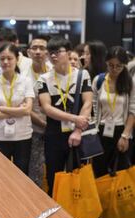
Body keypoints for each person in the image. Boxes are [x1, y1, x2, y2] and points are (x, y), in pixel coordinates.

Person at [37, 37, 93, 196]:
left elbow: (87, 103)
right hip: (54, 134)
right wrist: (75, 119)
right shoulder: (44, 79)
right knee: (53, 177)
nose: (53, 56)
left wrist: (78, 130)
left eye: (57, 52)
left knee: (77, 178)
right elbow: (47, 108)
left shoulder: (82, 75)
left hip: (78, 134)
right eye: (51, 53)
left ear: (69, 53)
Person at [0, 43, 35, 175]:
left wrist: (1, 108)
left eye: (9, 58)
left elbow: (27, 110)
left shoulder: (26, 81)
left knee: (22, 175)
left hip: (22, 135)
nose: (6, 62)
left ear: (17, 59)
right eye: (2, 58)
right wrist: (16, 111)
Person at [92, 46, 135, 178]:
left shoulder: (130, 82)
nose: (114, 69)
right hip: (101, 131)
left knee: (120, 174)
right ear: (106, 63)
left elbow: (133, 110)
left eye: (119, 66)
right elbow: (94, 107)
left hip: (121, 131)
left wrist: (125, 135)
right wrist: (93, 130)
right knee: (99, 173)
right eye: (111, 65)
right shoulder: (98, 81)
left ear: (124, 65)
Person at [24, 35, 51, 187]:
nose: (38, 52)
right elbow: (23, 105)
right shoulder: (22, 75)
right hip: (33, 129)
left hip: (55, 128)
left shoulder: (54, 73)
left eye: (42, 48)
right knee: (35, 170)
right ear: (28, 52)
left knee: (53, 168)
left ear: (47, 53)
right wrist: (42, 123)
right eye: (34, 48)